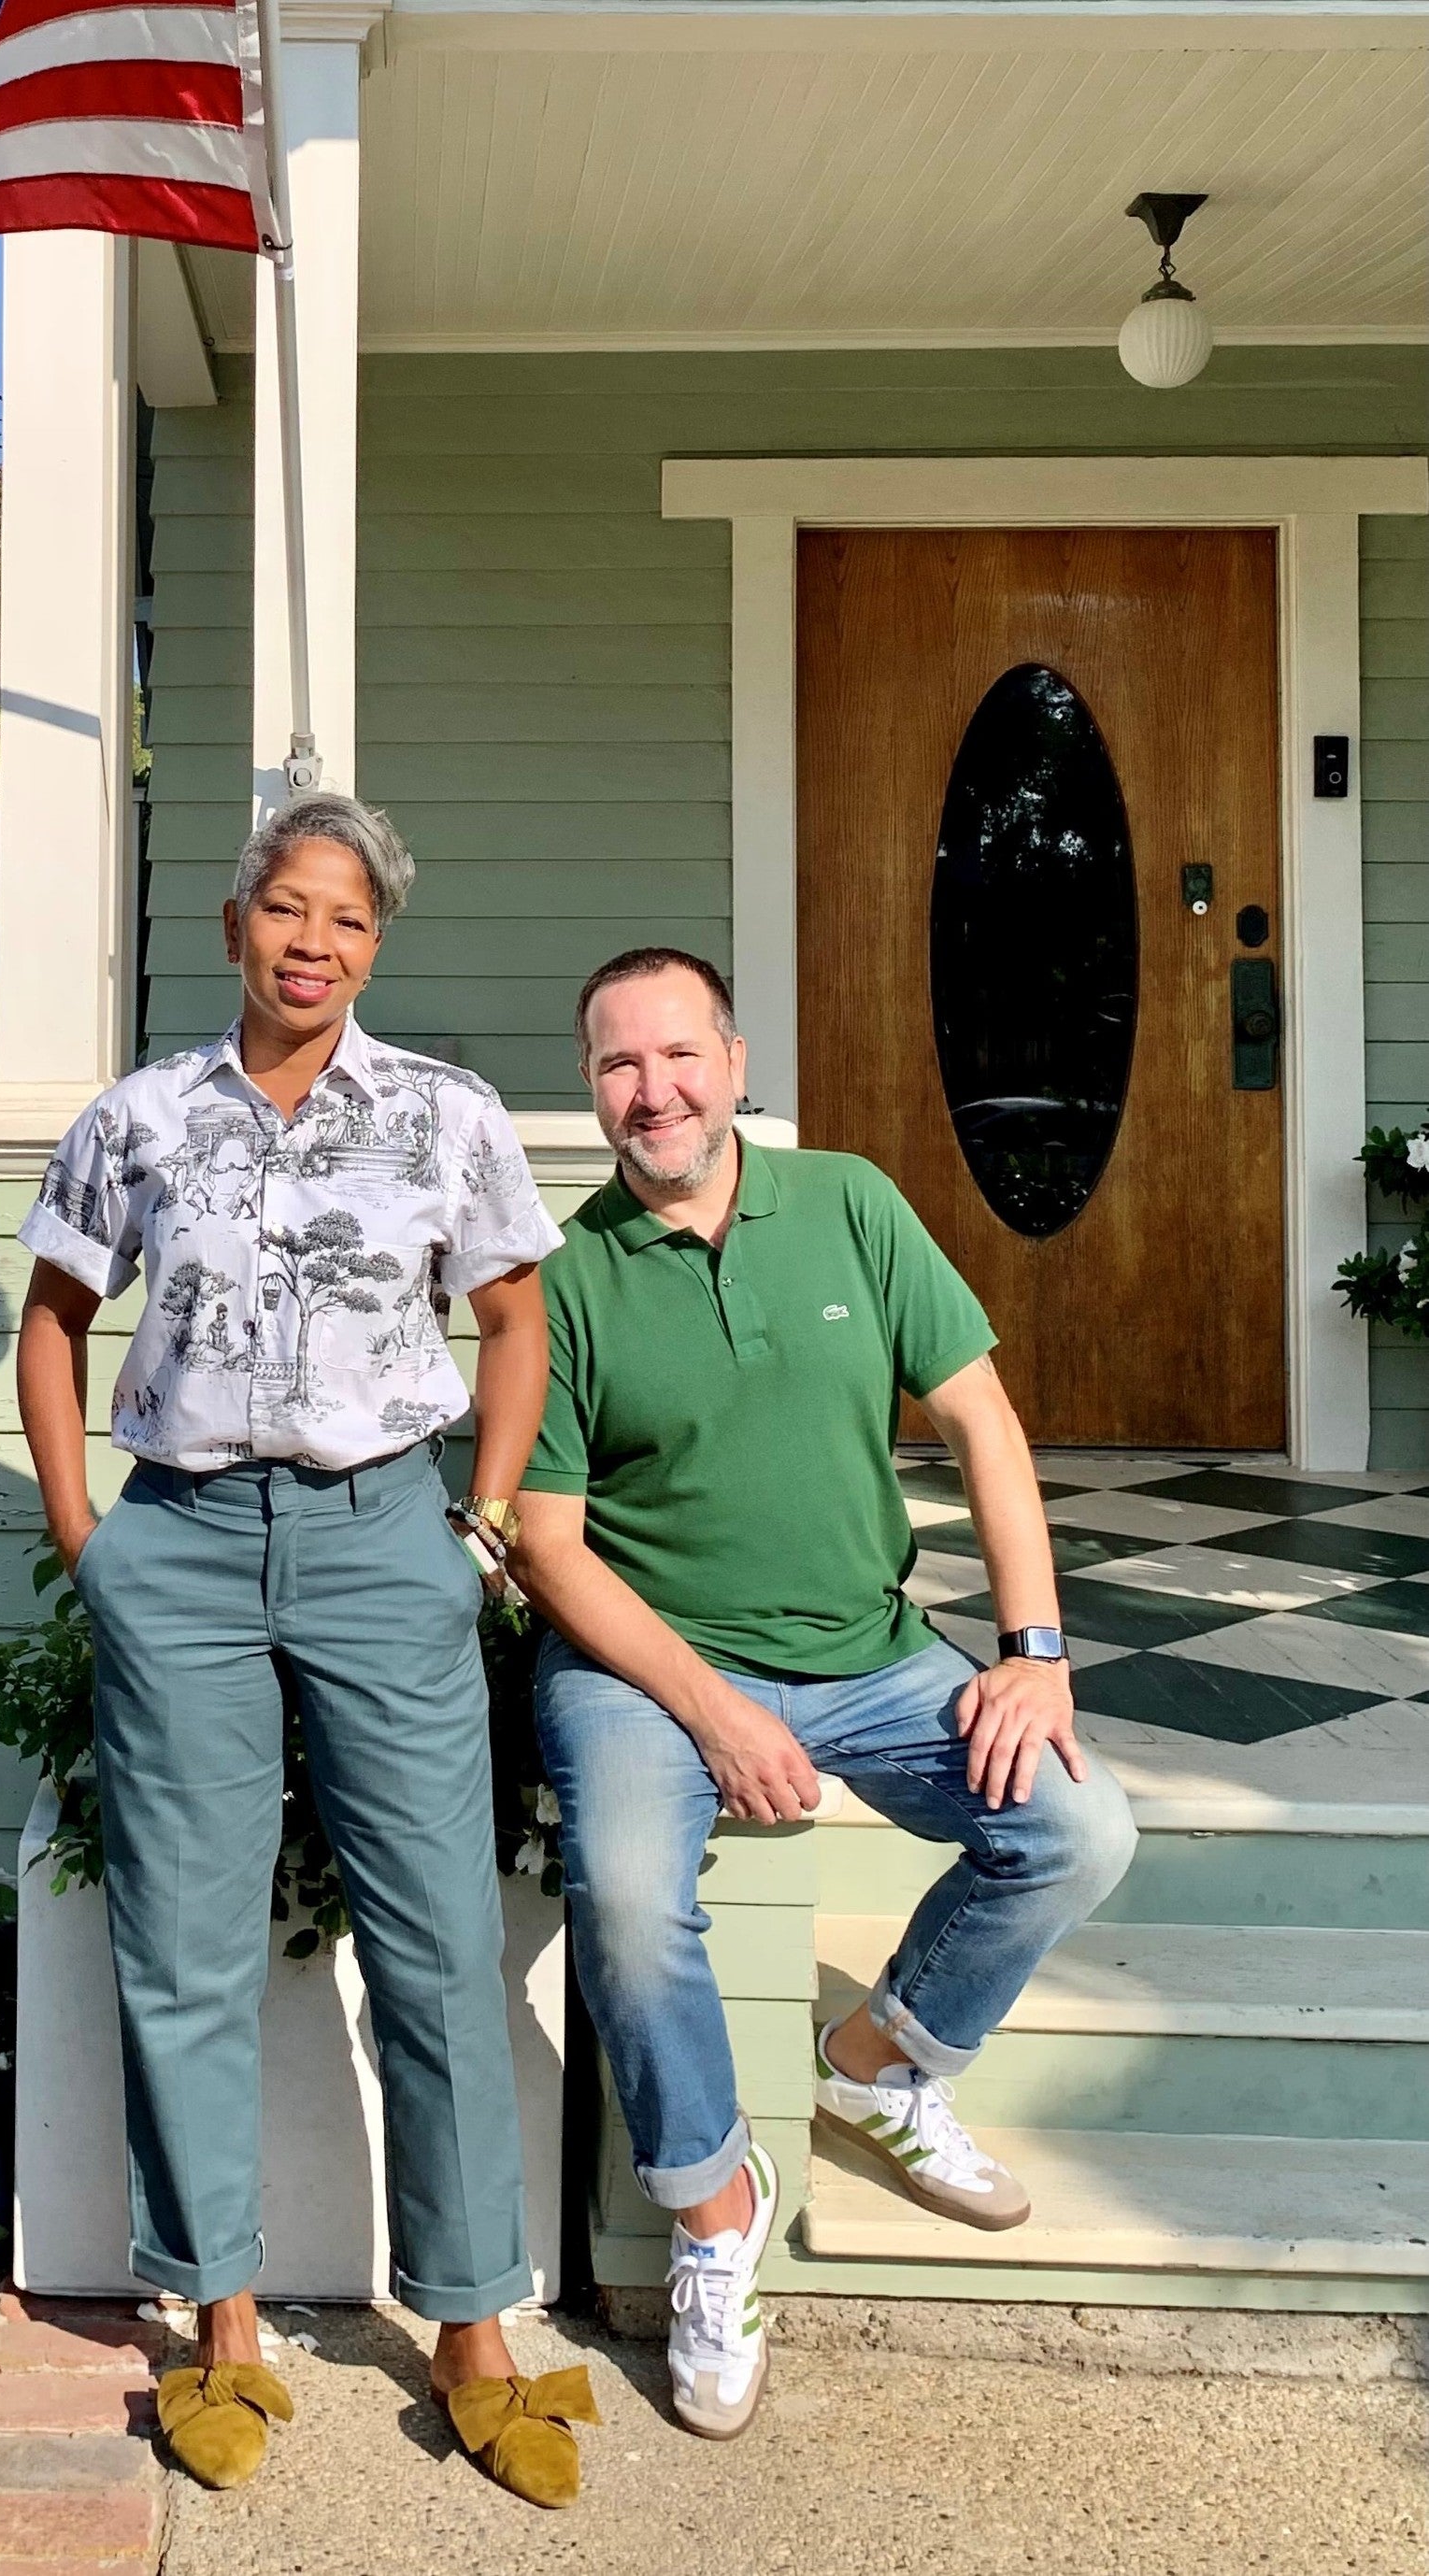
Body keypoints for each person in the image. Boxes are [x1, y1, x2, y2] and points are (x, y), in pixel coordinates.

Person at [14, 794, 599, 2508]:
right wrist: (88, 1543)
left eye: (347, 919)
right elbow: (54, 1329)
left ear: (375, 943)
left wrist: (482, 1521)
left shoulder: (444, 1118)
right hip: (182, 1550)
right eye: (287, 907)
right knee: (184, 1952)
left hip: (380, 1545)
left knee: (434, 1935)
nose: (313, 942)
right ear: (235, 922)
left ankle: (476, 2329)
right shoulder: (134, 1121)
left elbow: (514, 1321)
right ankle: (221, 2325)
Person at [511, 946, 1138, 2442]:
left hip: (866, 1646)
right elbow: (544, 1541)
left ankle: (880, 2064)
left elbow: (981, 1416)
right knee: (626, 1892)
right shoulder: (565, 1275)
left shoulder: (851, 1202)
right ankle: (716, 2202)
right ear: (590, 1085)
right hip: (644, 1667)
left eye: (677, 1055)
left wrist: (1034, 1653)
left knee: (1077, 1829)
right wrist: (718, 1714)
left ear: (734, 1064)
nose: (650, 1090)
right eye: (616, 1064)